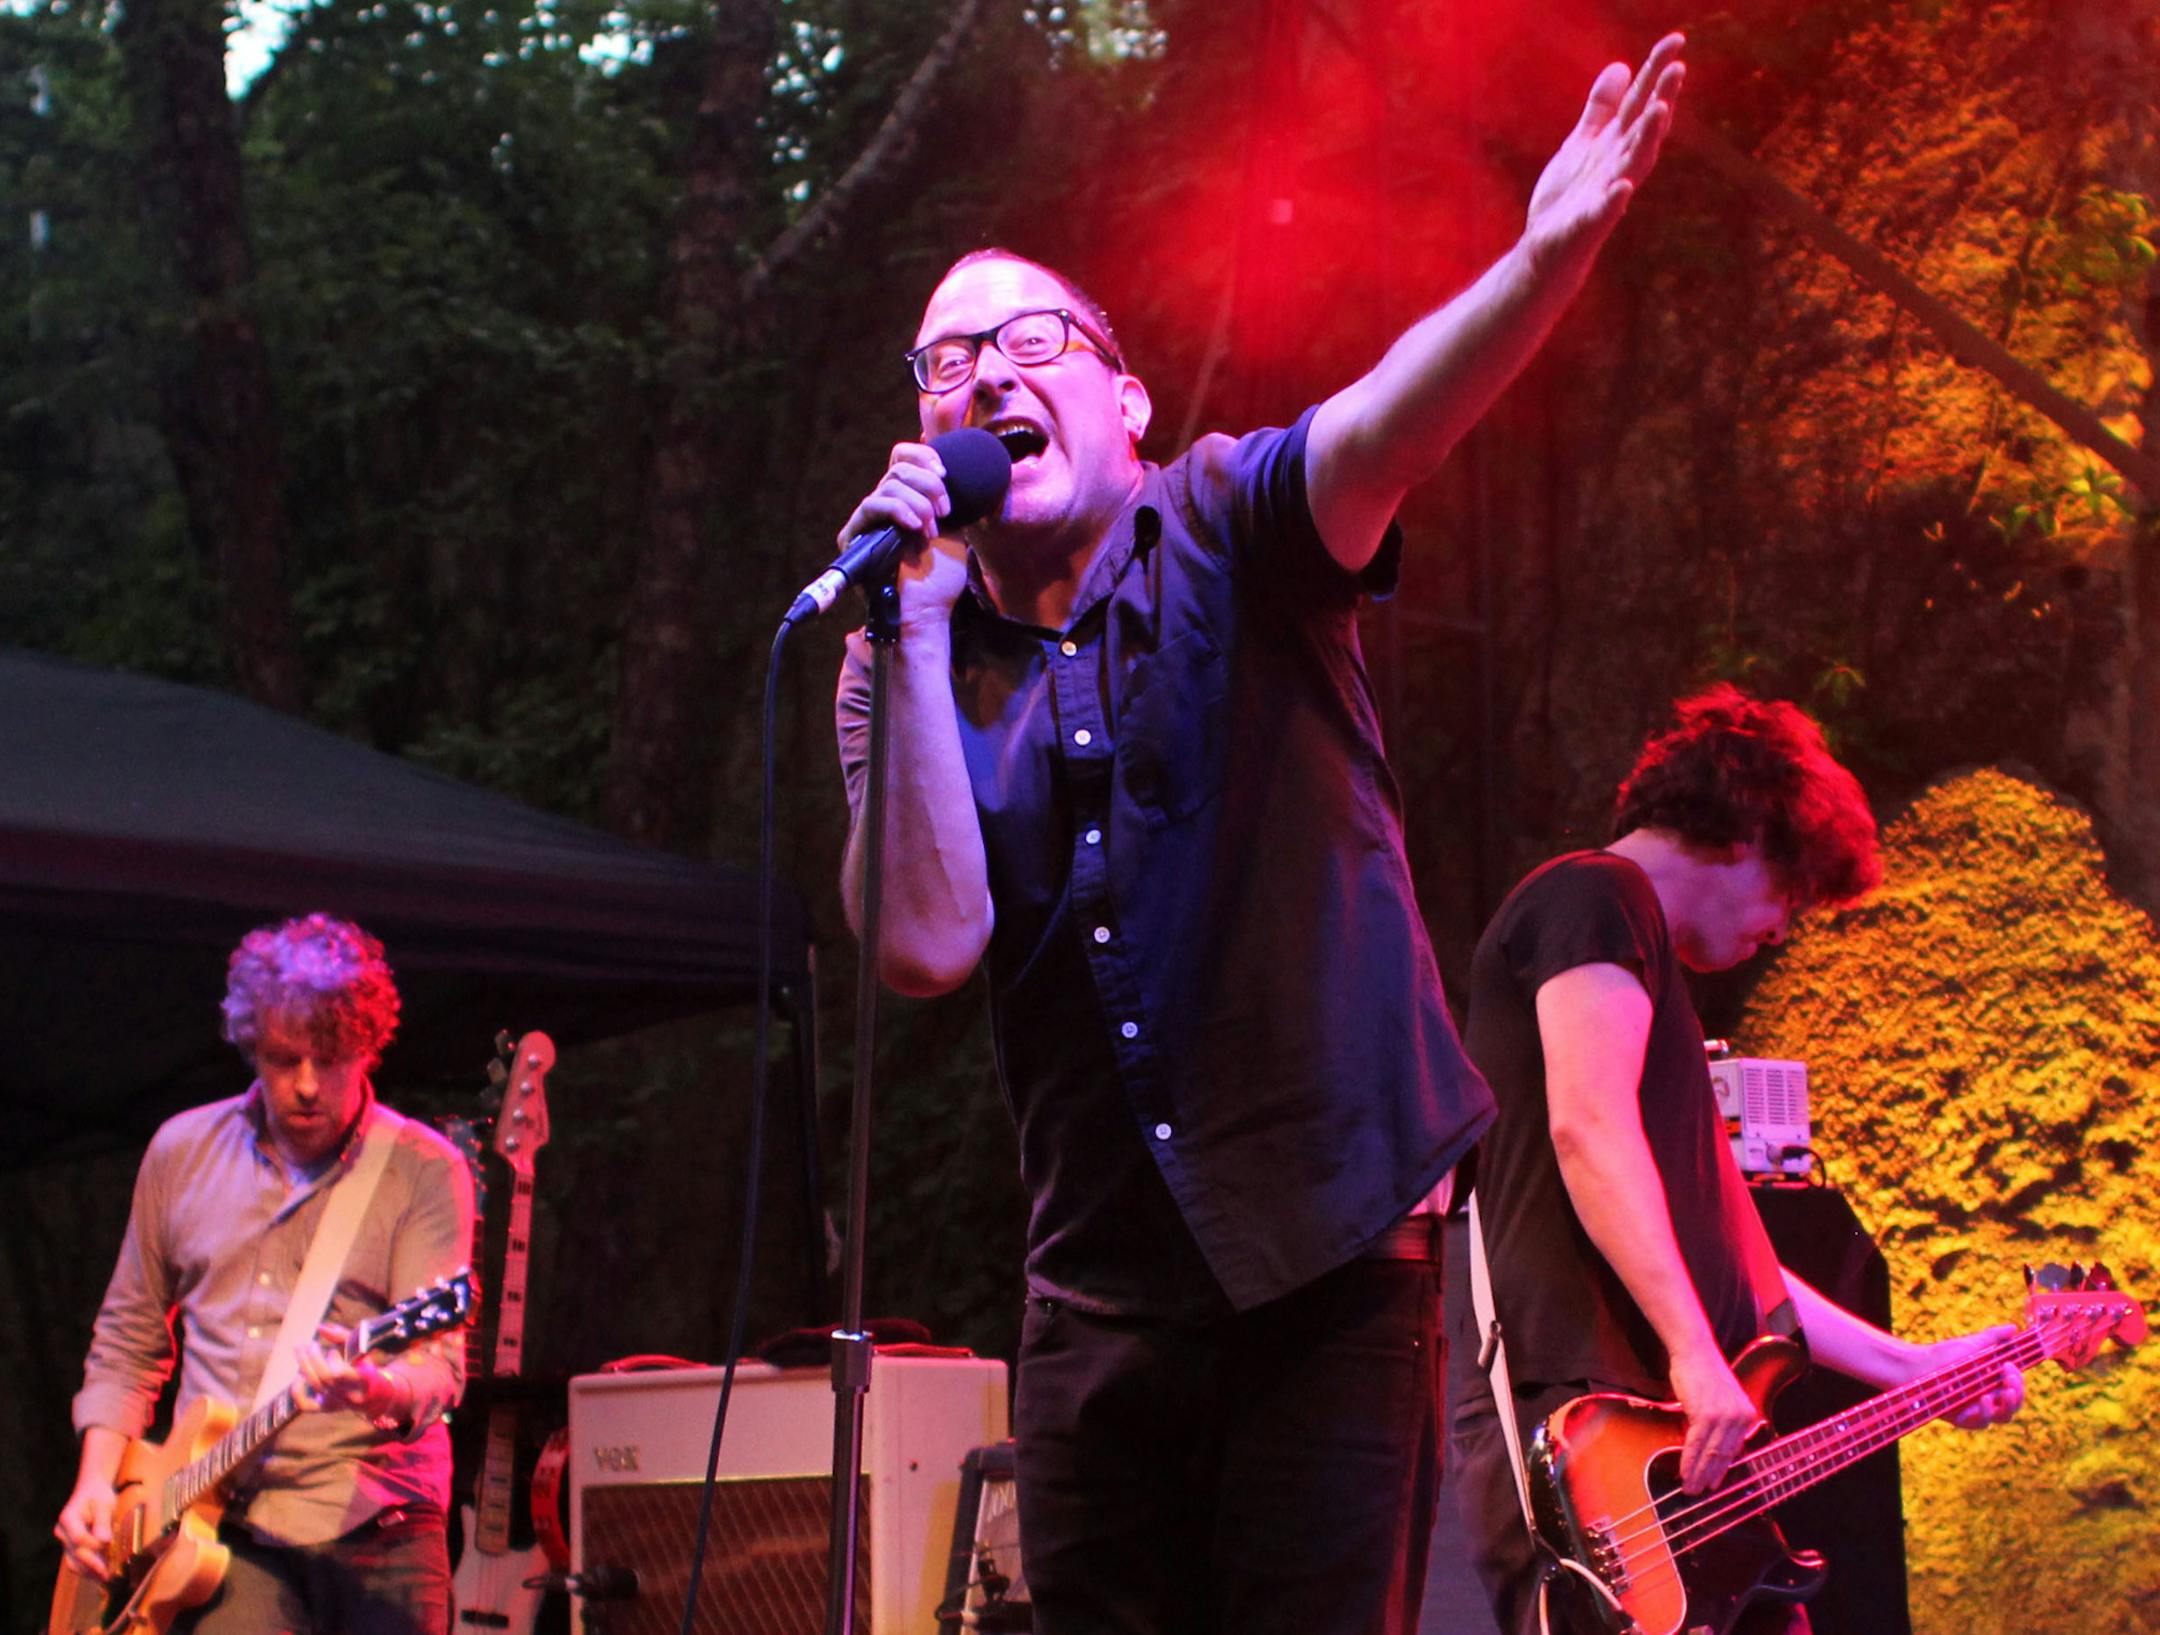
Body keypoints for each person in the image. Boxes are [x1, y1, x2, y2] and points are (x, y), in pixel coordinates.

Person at [830, 34, 1688, 1635]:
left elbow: (1389, 425)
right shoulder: (926, 654)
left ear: (1124, 394)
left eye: (1029, 339)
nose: (986, 378)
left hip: (1329, 1270)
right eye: (946, 364)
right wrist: (903, 627)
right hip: (1096, 1303)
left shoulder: (1229, 518)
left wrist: (1541, 257)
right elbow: (925, 942)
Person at [1446, 686, 2026, 1635]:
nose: (1781, 930)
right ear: (1747, 832)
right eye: (1788, 894)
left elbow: (1750, 1273)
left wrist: (1915, 1366)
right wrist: (1693, 1355)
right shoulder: (1593, 895)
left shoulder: (1652, 974)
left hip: (1674, 1434)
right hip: (1594, 1424)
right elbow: (1585, 1127)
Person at [55, 913, 474, 1635]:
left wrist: (373, 1386)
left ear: (367, 1048)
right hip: (221, 1526)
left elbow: (437, 1366)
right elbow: (128, 1338)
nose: (307, 1084)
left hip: (381, 1523)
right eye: (283, 1058)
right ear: (249, 1044)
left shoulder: (424, 1169)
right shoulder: (180, 1152)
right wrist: (96, 1478)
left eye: (330, 1057)